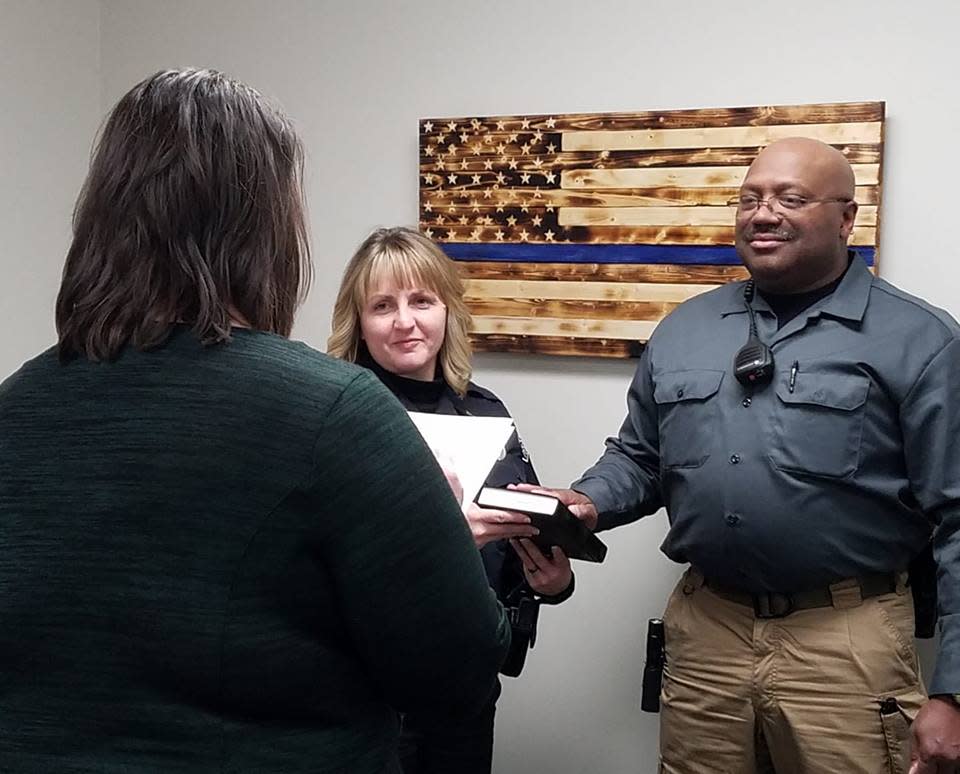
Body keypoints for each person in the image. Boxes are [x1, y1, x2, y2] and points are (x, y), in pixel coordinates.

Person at [0, 69, 510, 773]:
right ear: (266, 226)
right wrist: (443, 541)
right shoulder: (337, 414)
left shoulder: (14, 406)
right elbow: (456, 672)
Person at [538, 138, 960, 773]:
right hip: (708, 631)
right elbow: (641, 455)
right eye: (750, 198)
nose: (764, 214)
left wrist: (953, 690)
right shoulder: (687, 328)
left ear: (847, 219)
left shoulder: (920, 340)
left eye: (791, 198)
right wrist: (586, 499)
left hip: (845, 639)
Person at [328, 226, 574, 774]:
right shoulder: (334, 417)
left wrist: (552, 582)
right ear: (358, 323)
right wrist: (444, 540)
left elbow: (516, 538)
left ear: (447, 311)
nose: (405, 322)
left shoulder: (485, 412)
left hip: (465, 685)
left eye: (422, 301)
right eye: (382, 306)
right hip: (367, 691)